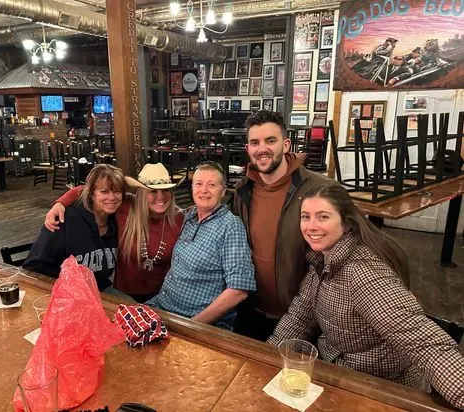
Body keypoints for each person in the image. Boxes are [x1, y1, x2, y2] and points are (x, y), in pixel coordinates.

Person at [267, 184, 464, 410]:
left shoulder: (362, 274)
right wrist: (265, 359)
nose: (311, 226)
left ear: (347, 223)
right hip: (339, 375)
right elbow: (298, 318)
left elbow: (424, 342)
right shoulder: (321, 260)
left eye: (323, 217)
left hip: (382, 389)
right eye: (305, 217)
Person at [232, 110, 335, 341]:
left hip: (305, 319)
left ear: (286, 145)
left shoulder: (321, 189)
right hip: (252, 311)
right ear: (248, 148)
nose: (262, 149)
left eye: (271, 141)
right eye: (255, 143)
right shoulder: (242, 191)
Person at [44, 163, 185, 302]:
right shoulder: (126, 207)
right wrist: (60, 203)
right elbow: (90, 190)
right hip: (123, 295)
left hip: (163, 296)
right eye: (153, 191)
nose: (161, 197)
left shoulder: (180, 218)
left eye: (166, 190)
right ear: (141, 193)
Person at [147, 161, 256, 330]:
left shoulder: (230, 225)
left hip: (196, 320)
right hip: (162, 306)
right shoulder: (188, 216)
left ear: (223, 191)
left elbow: (238, 291)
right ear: (192, 189)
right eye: (198, 184)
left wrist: (190, 326)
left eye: (212, 185)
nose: (204, 190)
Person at [23, 164, 124, 291]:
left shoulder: (119, 219)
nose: (112, 197)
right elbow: (33, 267)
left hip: (100, 290)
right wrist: (69, 286)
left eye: (117, 191)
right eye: (104, 191)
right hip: (64, 292)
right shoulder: (64, 219)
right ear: (92, 194)